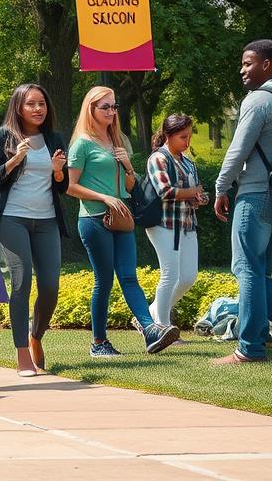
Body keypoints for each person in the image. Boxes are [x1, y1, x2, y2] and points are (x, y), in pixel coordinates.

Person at [66, 85, 179, 358]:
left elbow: (129, 186)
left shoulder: (119, 141)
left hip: (121, 216)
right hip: (94, 218)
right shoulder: (82, 143)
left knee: (129, 275)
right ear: (90, 109)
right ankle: (98, 342)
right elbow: (69, 186)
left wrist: (128, 165)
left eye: (114, 106)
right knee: (103, 281)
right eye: (104, 107)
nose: (111, 111)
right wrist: (104, 198)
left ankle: (151, 330)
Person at [0, 83, 69, 377]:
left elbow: (63, 186)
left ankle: (36, 335)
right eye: (31, 104)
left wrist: (57, 170)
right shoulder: (3, 136)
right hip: (12, 219)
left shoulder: (54, 138)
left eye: (42, 103)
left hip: (46, 221)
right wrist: (15, 159)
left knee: (51, 286)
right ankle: (22, 356)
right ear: (18, 107)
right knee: (21, 280)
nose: (38, 109)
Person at [212, 39, 272, 364]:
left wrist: (220, 187)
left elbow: (238, 149)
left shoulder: (258, 100)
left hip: (256, 194)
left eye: (248, 63)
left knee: (246, 268)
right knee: (261, 270)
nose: (242, 70)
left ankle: (251, 348)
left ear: (267, 64)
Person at [146, 114, 206, 330]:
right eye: (183, 137)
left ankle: (154, 311)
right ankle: (162, 326)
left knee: (188, 277)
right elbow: (165, 191)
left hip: (187, 223)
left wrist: (200, 197)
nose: (187, 142)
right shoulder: (158, 158)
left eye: (189, 136)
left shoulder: (188, 162)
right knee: (170, 274)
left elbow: (199, 191)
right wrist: (192, 192)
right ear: (168, 136)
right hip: (163, 224)